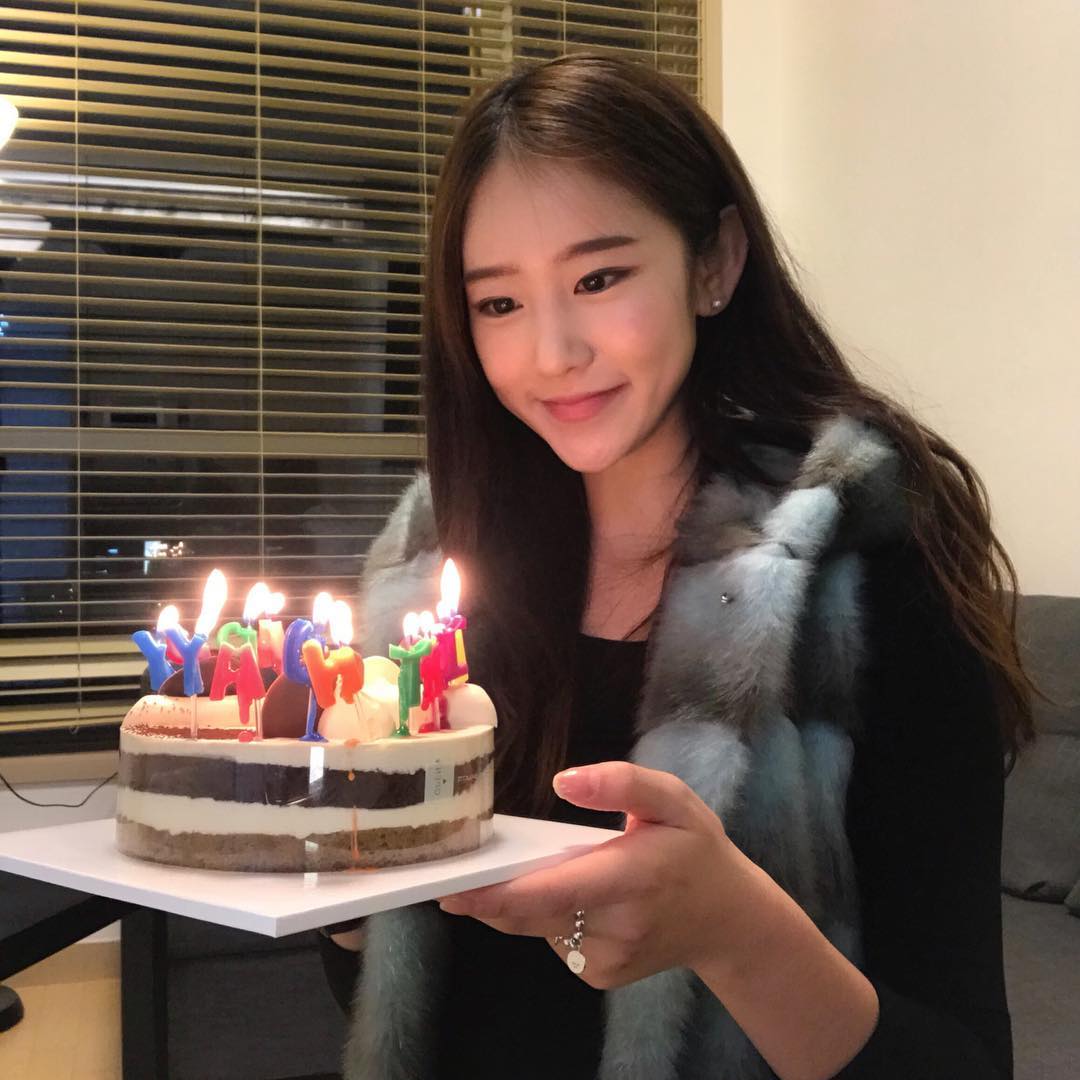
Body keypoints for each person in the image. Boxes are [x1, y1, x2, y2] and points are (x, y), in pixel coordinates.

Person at [318, 53, 1037, 1080]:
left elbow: (961, 1061)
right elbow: (417, 1004)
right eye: (498, 304)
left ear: (714, 263)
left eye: (598, 279)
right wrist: (340, 887)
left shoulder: (866, 569)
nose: (553, 352)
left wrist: (732, 928)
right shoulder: (438, 566)